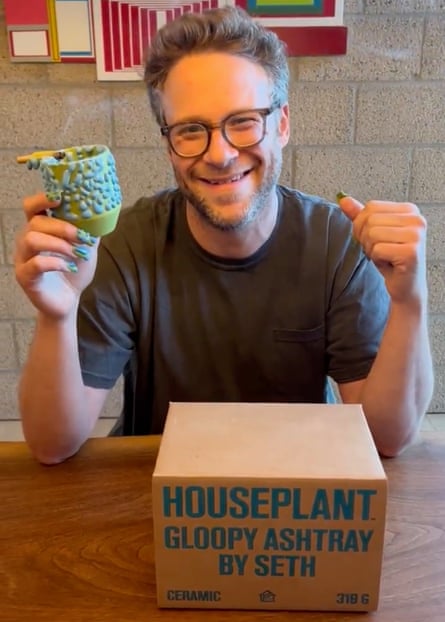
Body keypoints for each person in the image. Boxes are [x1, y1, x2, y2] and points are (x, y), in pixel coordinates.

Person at [14, 6, 433, 465]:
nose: (220, 154)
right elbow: (53, 445)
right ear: (168, 142)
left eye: (244, 121)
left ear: (283, 124)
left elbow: (386, 439)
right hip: (158, 485)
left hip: (296, 480)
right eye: (191, 130)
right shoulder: (126, 246)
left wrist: (410, 300)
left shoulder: (334, 245)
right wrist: (57, 315)